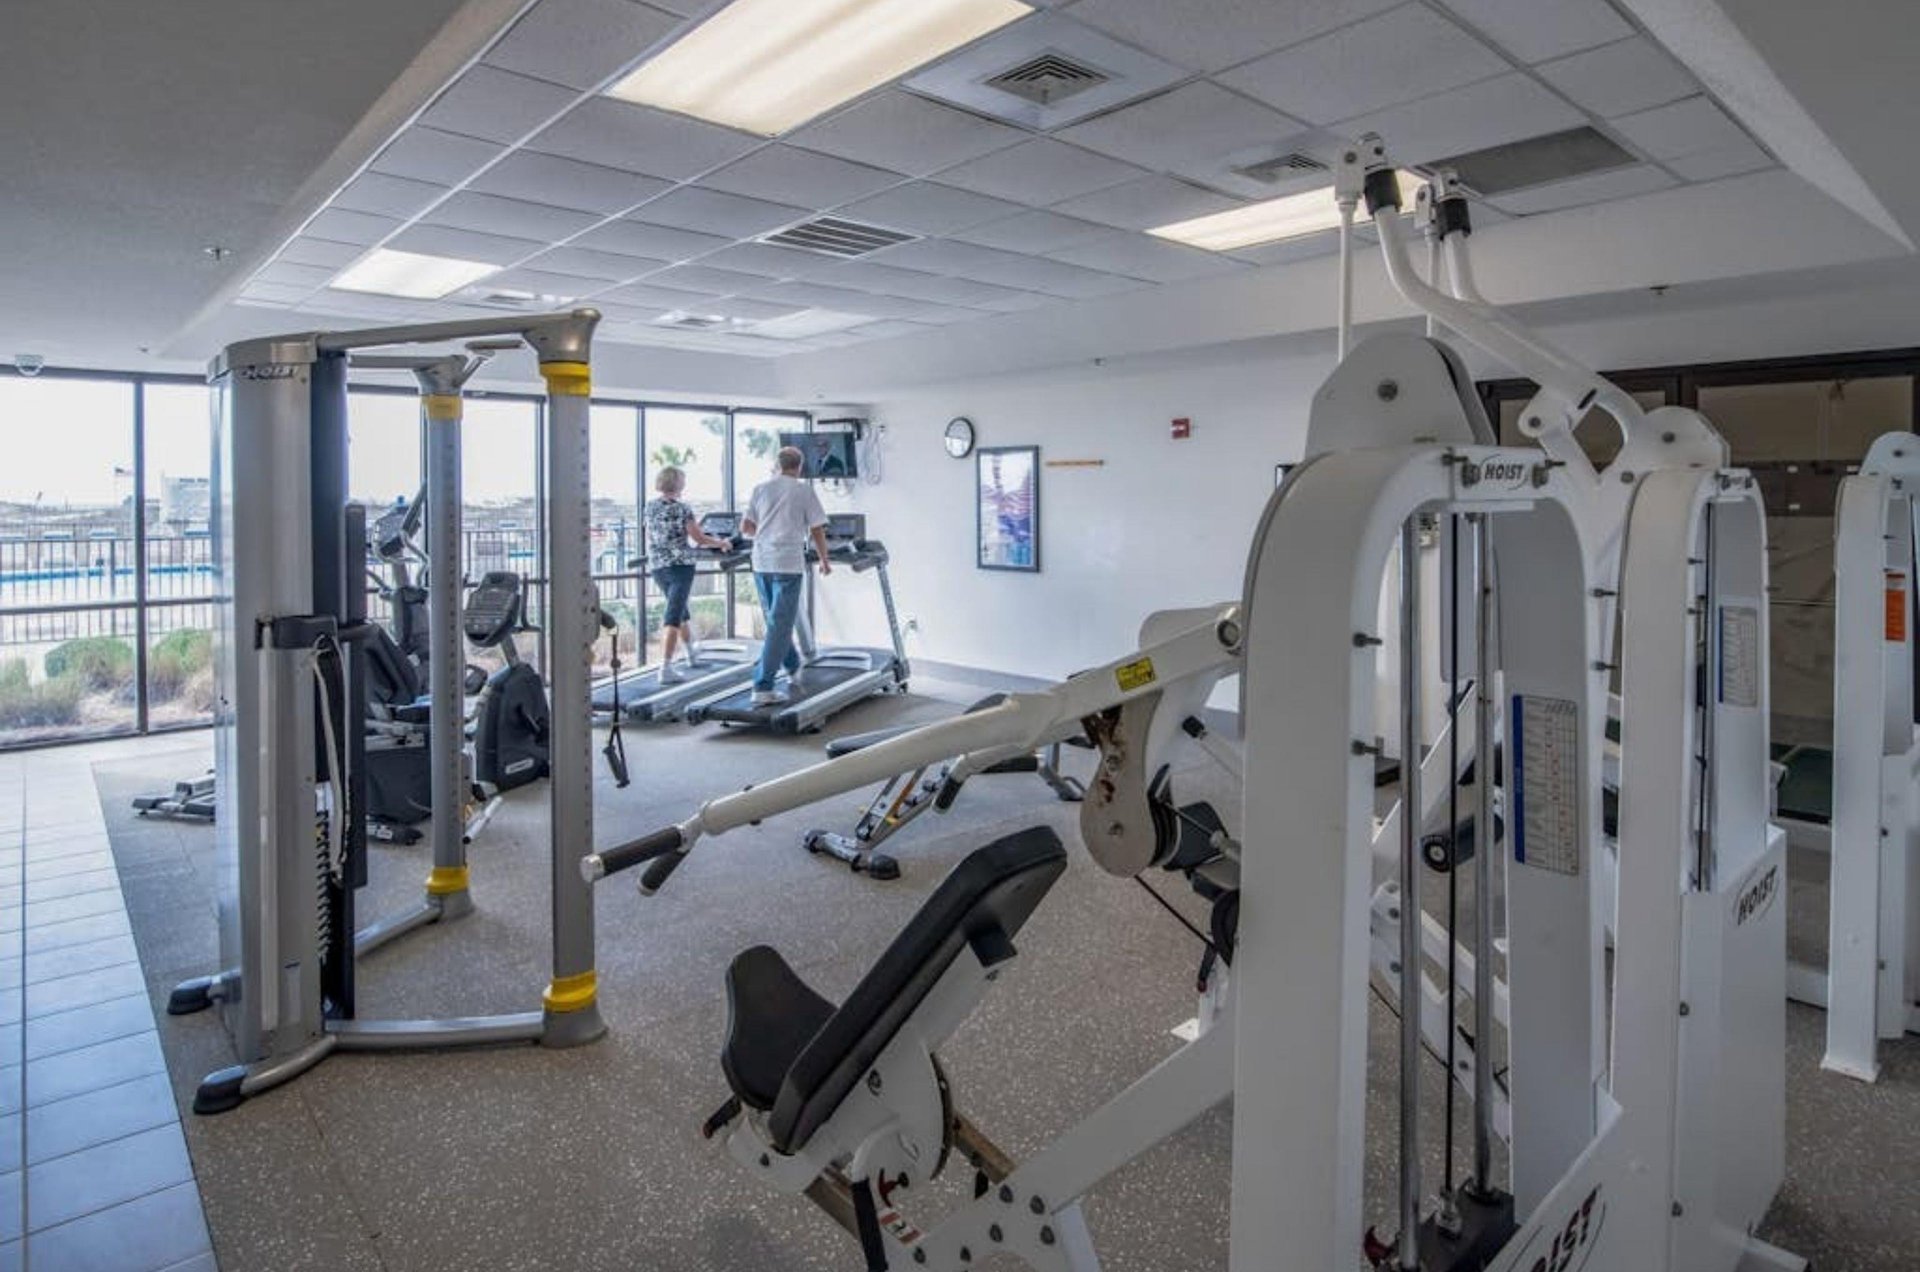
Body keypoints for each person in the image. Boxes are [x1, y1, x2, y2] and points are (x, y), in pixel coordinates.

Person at [741, 446, 831, 706]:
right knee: (779, 625)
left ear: (777, 465)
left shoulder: (761, 489)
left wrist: (766, 531)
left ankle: (792, 666)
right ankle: (763, 686)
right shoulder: (803, 490)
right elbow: (816, 529)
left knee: (775, 622)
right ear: (799, 466)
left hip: (761, 561)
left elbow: (746, 528)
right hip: (788, 563)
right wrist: (824, 559)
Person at [643, 467, 730, 684]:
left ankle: (691, 653)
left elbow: (652, 535)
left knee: (680, 609)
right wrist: (722, 542)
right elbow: (698, 537)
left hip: (657, 566)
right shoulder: (683, 509)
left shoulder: (650, 507)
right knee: (673, 615)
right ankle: (665, 667)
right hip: (680, 566)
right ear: (679, 484)